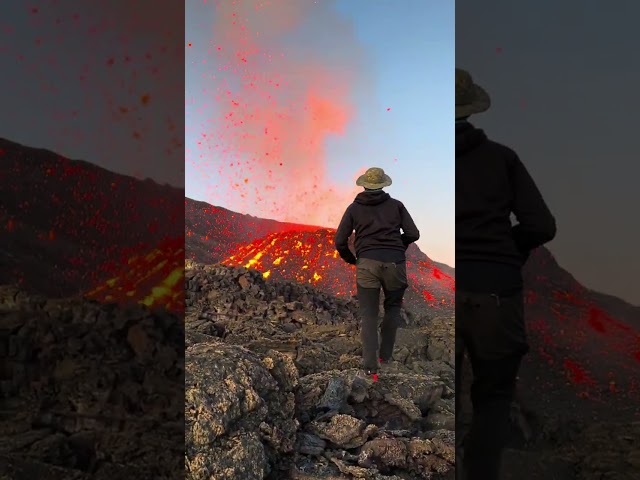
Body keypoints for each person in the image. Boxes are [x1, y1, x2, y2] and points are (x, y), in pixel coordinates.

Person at [455, 68, 557, 480]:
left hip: (443, 292)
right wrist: (505, 252)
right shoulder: (502, 159)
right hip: (495, 293)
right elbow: (541, 225)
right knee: (494, 396)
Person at [334, 167, 420, 377]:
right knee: (392, 309)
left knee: (369, 315)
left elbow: (339, 241)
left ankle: (371, 367)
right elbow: (413, 233)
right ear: (383, 184)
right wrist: (398, 245)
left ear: (364, 185)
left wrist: (352, 259)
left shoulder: (354, 208)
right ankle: (386, 356)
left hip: (367, 264)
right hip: (394, 264)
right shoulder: (396, 206)